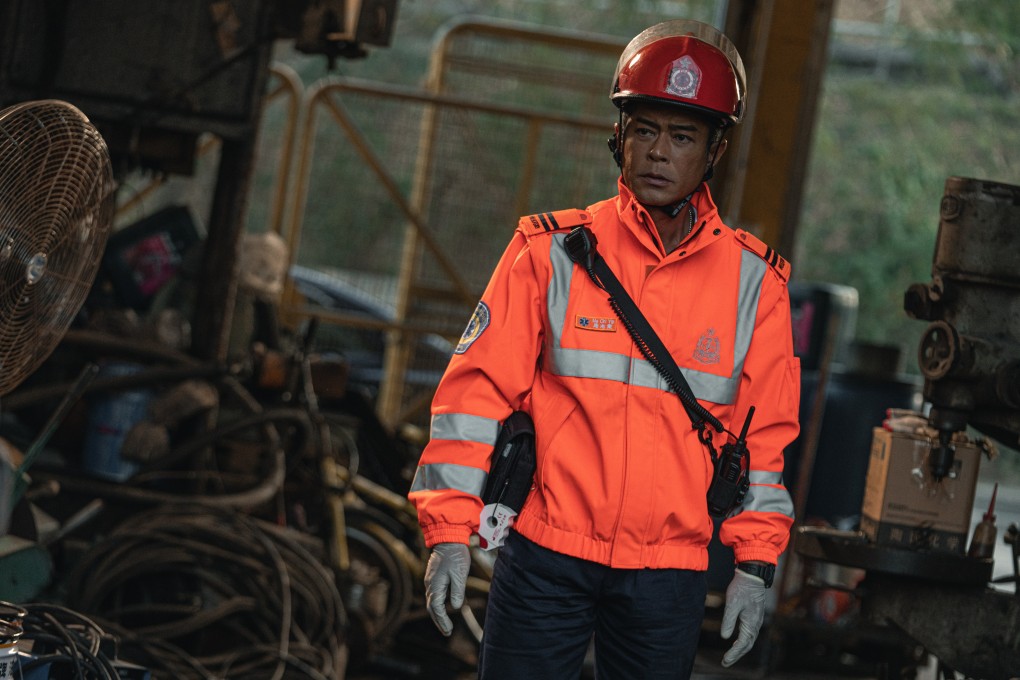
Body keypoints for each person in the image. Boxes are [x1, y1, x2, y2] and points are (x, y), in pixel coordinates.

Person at [408, 18, 800, 679]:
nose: (658, 152)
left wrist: (755, 567)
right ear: (619, 136)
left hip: (667, 570)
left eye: (681, 136)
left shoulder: (755, 284)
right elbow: (471, 398)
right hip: (545, 554)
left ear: (714, 152)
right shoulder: (550, 252)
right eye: (645, 129)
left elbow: (764, 444)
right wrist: (448, 531)